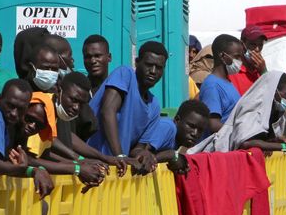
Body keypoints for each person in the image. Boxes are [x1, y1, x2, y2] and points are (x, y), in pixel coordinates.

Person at [87, 41, 167, 173]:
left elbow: (137, 148)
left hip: (115, 172)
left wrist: (143, 154)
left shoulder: (154, 106)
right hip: (89, 165)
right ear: (137, 62)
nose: (153, 71)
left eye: (159, 67)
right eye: (149, 65)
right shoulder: (125, 74)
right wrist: (119, 156)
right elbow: (107, 111)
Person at [190, 71, 286, 154]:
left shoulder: (269, 111)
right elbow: (246, 142)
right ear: (274, 92)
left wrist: (275, 141)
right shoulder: (252, 108)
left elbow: (257, 136)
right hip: (220, 159)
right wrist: (284, 147)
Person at [144, 100, 210, 174]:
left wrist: (177, 161)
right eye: (191, 126)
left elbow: (171, 155)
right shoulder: (168, 127)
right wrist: (171, 155)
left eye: (200, 130)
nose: (195, 133)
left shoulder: (179, 140)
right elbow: (141, 155)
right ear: (177, 120)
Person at [199, 34, 244, 133]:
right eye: (237, 57)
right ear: (223, 56)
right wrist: (240, 132)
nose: (240, 61)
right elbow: (213, 125)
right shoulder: (212, 85)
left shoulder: (227, 82)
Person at [229, 26, 268, 95]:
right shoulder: (233, 71)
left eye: (260, 45)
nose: (257, 49)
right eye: (253, 44)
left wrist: (264, 72)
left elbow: (270, 95)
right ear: (242, 44)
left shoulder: (260, 70)